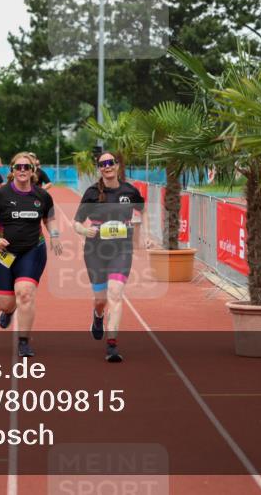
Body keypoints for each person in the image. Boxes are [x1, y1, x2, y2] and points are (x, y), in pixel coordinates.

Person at [0, 152, 63, 358]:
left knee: (25, 293)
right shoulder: (2, 195)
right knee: (5, 302)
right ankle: (8, 312)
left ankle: (24, 341)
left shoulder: (42, 196)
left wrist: (54, 235)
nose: (23, 170)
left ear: (33, 171)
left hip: (32, 250)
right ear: (12, 171)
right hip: (3, 252)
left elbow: (49, 219)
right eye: (19, 167)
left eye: (27, 167)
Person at [73, 151, 152, 363]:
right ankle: (98, 317)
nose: (106, 166)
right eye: (102, 164)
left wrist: (145, 235)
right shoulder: (91, 193)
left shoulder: (130, 191)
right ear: (99, 169)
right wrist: (84, 231)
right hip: (95, 251)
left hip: (122, 249)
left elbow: (143, 211)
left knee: (115, 294)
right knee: (100, 300)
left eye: (110, 163)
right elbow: (77, 222)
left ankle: (112, 345)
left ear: (117, 165)